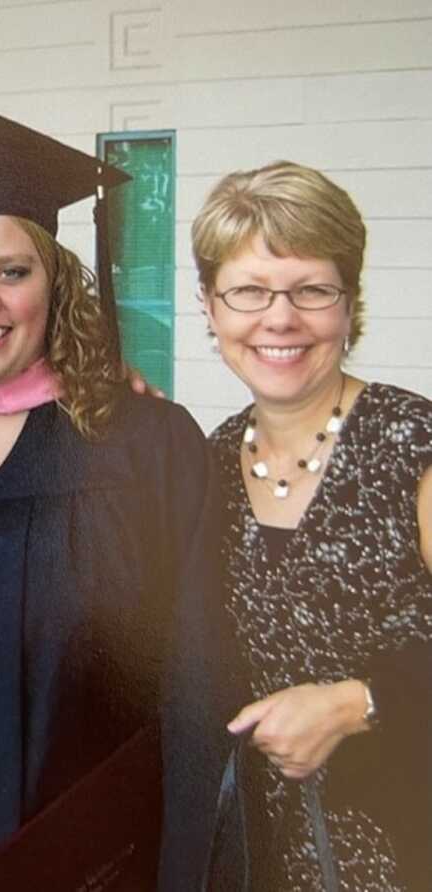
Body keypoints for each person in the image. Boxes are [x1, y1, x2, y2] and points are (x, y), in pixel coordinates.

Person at [0, 103, 231, 891]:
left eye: (11, 271)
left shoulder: (148, 448)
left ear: (54, 284)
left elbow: (196, 694)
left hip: (96, 866)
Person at [193, 160, 432, 888]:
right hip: (257, 854)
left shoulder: (412, 445)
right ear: (210, 307)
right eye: (249, 291)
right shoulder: (204, 466)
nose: (280, 318)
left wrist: (358, 702)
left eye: (312, 290)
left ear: (349, 302)